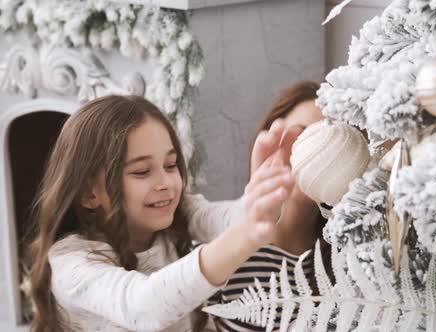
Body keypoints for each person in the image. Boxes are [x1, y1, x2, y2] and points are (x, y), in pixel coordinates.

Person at [27, 95, 301, 332]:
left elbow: (223, 221)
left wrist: (259, 195)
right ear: (89, 193)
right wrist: (246, 233)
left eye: (170, 165)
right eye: (142, 172)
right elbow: (145, 306)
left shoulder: (177, 212)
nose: (166, 183)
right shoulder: (71, 264)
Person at [210, 81, 331, 332]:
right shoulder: (216, 239)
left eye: (329, 144)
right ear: (269, 141)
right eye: (302, 137)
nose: (314, 155)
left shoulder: (352, 259)